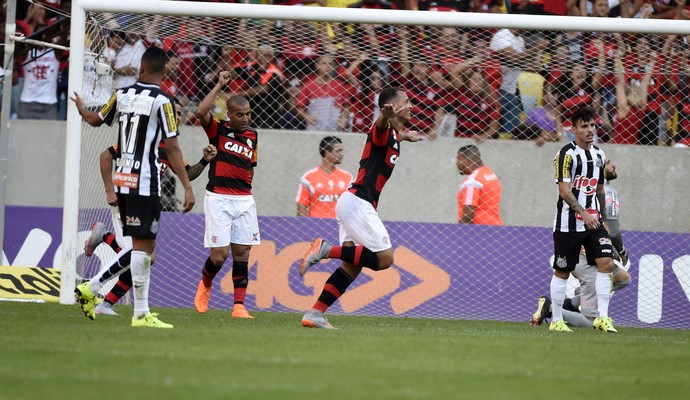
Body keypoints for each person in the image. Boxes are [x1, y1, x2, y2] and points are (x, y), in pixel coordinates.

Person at [71, 46, 195, 329]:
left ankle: (138, 311)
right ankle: (100, 290)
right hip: (146, 181)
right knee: (144, 249)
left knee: (142, 249)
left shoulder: (122, 95)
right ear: (164, 73)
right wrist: (187, 187)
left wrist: (81, 109)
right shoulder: (163, 101)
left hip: (123, 179)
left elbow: (94, 120)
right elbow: (173, 147)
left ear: (140, 68)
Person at [298, 86, 425, 329]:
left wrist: (404, 136)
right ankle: (324, 249)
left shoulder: (395, 135)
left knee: (352, 267)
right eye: (406, 102)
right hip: (358, 203)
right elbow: (377, 129)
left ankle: (315, 313)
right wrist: (385, 117)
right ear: (393, 107)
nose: (410, 106)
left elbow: (389, 139)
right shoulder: (384, 130)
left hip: (352, 202)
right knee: (385, 258)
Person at [82, 102, 216, 317]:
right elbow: (105, 156)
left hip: (144, 202)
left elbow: (187, 173)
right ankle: (96, 287)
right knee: (142, 256)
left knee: (144, 258)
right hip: (126, 198)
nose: (180, 118)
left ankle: (105, 299)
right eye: (176, 113)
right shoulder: (142, 137)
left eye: (181, 114)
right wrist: (109, 191)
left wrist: (205, 161)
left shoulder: (170, 146)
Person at [531, 158, 632, 327]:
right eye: (608, 162)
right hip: (588, 255)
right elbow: (612, 231)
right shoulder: (608, 192)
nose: (613, 165)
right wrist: (620, 250)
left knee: (623, 278)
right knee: (590, 322)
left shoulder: (577, 191)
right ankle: (552, 310)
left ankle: (571, 303)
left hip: (577, 248)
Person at [192, 71, 260, 319]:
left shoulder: (253, 136)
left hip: (244, 199)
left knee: (242, 255)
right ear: (228, 115)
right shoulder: (218, 130)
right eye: (240, 115)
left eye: (248, 114)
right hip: (219, 197)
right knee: (219, 256)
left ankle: (239, 307)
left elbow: (251, 167)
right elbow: (200, 112)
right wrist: (220, 85)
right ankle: (206, 284)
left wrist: (245, 191)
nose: (245, 118)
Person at [549, 105, 617, 333]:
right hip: (568, 223)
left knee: (606, 264)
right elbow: (564, 191)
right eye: (584, 126)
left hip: (594, 222)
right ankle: (556, 320)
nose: (590, 130)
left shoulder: (599, 155)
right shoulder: (565, 155)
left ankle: (602, 317)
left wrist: (604, 219)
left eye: (592, 126)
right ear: (574, 129)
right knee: (562, 271)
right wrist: (583, 213)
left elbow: (599, 189)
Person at [296, 136, 353, 218]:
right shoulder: (309, 177)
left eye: (342, 151)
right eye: (338, 151)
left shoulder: (348, 177)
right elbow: (302, 207)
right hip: (316, 227)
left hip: (340, 227)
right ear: (327, 153)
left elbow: (353, 206)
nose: (342, 154)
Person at [456, 145, 503, 225]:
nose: (456, 163)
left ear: (467, 161)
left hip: (479, 230)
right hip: (496, 227)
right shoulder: (490, 174)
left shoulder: (473, 180)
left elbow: (468, 214)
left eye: (459, 159)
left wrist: (457, 232)